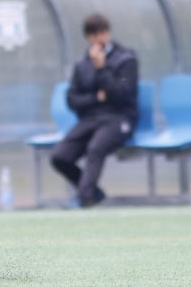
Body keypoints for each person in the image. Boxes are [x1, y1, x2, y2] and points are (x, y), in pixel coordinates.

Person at [48, 13, 138, 207]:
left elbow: (124, 95)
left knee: (95, 148)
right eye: (94, 34)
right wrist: (95, 98)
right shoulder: (82, 65)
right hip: (91, 119)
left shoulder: (126, 59)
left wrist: (102, 68)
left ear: (108, 33)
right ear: (88, 37)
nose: (99, 39)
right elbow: (72, 100)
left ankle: (84, 198)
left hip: (120, 118)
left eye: (102, 33)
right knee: (59, 157)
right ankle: (92, 192)